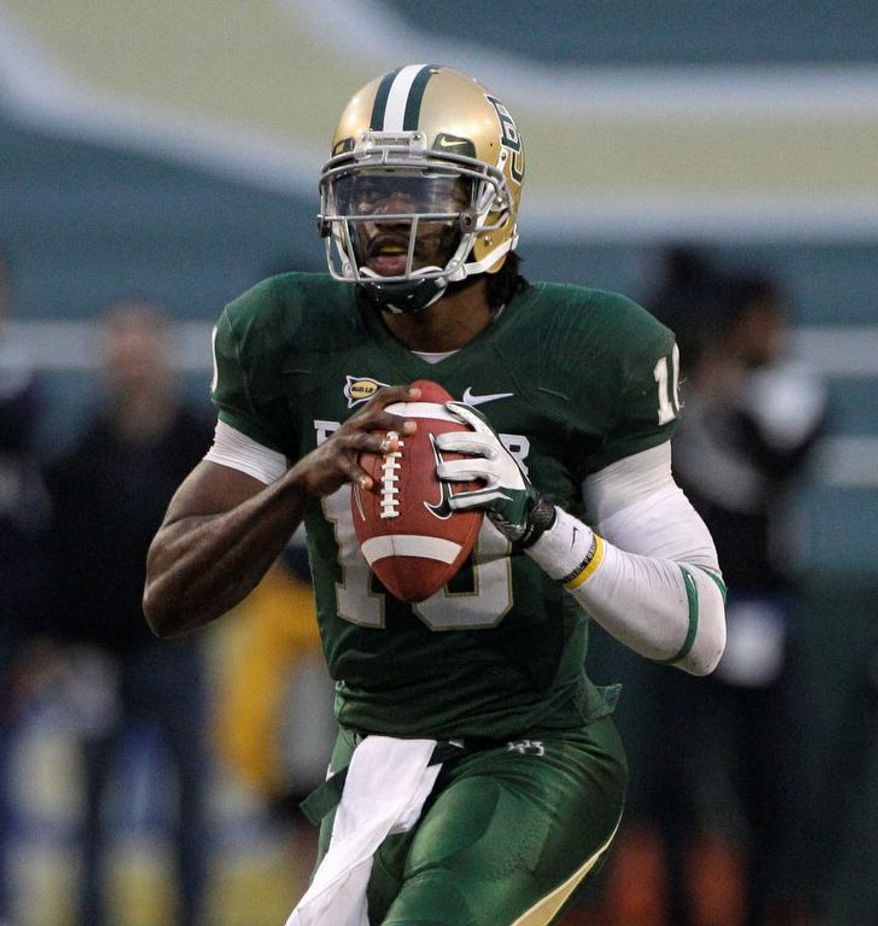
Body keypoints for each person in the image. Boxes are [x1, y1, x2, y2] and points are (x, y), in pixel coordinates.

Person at [143, 65, 727, 926]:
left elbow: (700, 628)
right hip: (374, 749)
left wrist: (539, 524)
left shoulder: (589, 348)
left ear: (489, 202)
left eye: (415, 190)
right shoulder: (292, 336)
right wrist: (303, 480)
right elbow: (166, 593)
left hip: (536, 750)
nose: (383, 218)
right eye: (366, 190)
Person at [639, 254, 826, 926]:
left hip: (759, 611)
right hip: (682, 605)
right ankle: (678, 908)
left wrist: (726, 396)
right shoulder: (683, 395)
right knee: (673, 777)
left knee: (764, 781)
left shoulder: (790, 389)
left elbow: (779, 461)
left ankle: (762, 906)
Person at [46, 301, 213, 926]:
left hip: (178, 649)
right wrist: (62, 645)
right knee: (91, 808)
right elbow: (58, 561)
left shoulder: (201, 452)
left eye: (142, 351)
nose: (133, 366)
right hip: (98, 656)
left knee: (189, 808)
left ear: (163, 358)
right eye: (122, 353)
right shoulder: (75, 457)